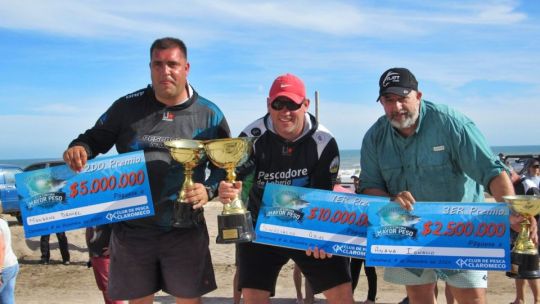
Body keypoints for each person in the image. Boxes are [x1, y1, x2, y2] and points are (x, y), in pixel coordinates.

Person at [63, 37, 230, 304]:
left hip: (185, 230)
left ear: (186, 67)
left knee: (189, 300)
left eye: (173, 64)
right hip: (132, 230)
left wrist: (208, 190)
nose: (165, 71)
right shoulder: (126, 107)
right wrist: (79, 147)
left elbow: (224, 167)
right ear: (150, 67)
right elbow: (93, 139)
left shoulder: (209, 114)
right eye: (158, 64)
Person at [359, 67, 522, 304]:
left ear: (418, 96)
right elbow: (369, 186)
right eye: (388, 100)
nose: (396, 107)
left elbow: (492, 172)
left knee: (472, 299)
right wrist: (390, 199)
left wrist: (513, 211)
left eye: (403, 98)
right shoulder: (374, 136)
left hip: (462, 230)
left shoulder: (452, 124)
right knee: (418, 297)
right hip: (408, 233)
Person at [218, 73, 354, 304]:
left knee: (342, 294)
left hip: (307, 223)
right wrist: (228, 192)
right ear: (268, 105)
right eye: (278, 104)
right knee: (252, 296)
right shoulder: (250, 138)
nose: (285, 111)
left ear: (306, 105)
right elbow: (239, 187)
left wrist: (321, 235)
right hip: (262, 226)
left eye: (292, 103)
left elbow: (324, 196)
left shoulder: (324, 141)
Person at [510, 158, 540, 304]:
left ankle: (537, 300)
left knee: (531, 270)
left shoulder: (527, 184)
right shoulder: (511, 186)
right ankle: (519, 299)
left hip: (531, 234)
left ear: (511, 173)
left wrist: (534, 230)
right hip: (517, 234)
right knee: (518, 268)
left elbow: (536, 210)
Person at [86, 225, 124, 304]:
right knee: (104, 288)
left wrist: (113, 246)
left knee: (110, 289)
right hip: (95, 254)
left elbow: (120, 226)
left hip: (105, 255)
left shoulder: (108, 212)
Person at [0, 217, 19, 304]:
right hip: (12, 265)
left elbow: (1, 247)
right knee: (7, 300)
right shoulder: (3, 221)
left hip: (4, 268)